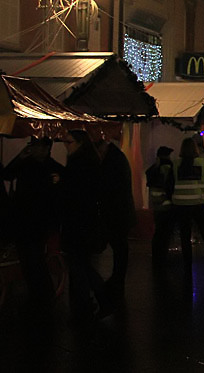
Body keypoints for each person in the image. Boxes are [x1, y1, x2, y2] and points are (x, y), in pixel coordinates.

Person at [2, 137, 64, 310]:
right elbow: (6, 174)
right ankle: (38, 295)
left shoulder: (53, 169)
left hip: (38, 223)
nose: (33, 150)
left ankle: (44, 295)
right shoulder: (27, 164)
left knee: (35, 259)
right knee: (27, 260)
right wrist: (20, 157)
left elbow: (57, 199)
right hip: (23, 220)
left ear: (46, 148)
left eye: (37, 146)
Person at [59, 130, 110, 321]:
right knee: (82, 265)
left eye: (69, 142)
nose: (66, 145)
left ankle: (91, 303)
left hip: (77, 223)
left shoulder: (77, 165)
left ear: (79, 143)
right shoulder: (90, 162)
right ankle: (97, 300)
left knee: (79, 266)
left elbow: (72, 196)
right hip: (85, 223)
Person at [173, 137, 204, 277]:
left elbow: (170, 184)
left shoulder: (176, 164)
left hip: (181, 204)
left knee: (185, 236)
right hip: (198, 203)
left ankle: (187, 264)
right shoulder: (202, 163)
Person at [95, 136, 136, 305]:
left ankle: (115, 281)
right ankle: (116, 280)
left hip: (116, 213)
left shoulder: (113, 161)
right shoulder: (117, 158)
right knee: (120, 248)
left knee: (118, 247)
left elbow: (109, 188)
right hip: (120, 213)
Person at [146, 146, 175, 267]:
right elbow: (170, 185)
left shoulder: (153, 169)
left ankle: (156, 255)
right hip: (166, 205)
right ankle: (162, 256)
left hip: (156, 205)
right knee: (166, 232)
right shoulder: (168, 167)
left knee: (158, 231)